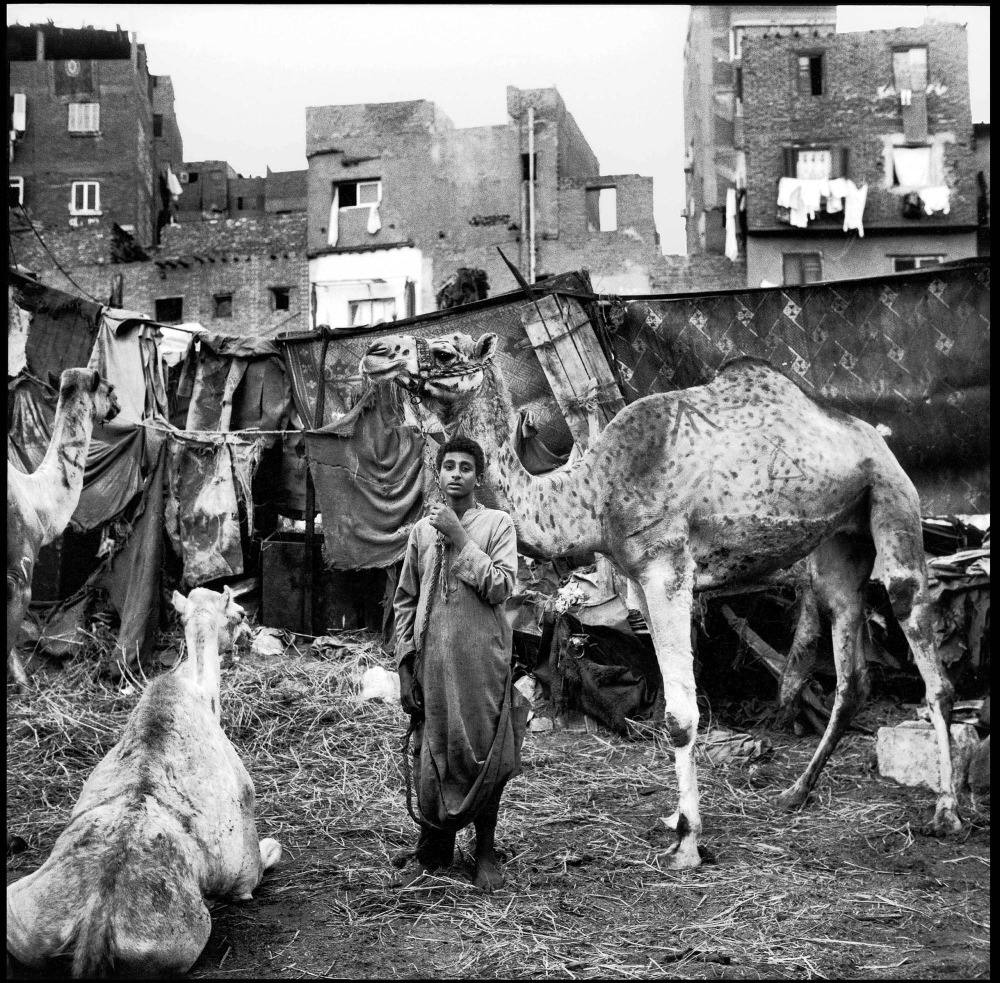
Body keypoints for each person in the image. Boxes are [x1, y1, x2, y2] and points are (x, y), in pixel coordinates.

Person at [392, 435, 526, 891]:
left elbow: (501, 587)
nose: (455, 474)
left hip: (481, 666)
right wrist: (406, 661)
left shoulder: (498, 524)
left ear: (479, 477)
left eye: (465, 467)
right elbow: (406, 602)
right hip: (433, 666)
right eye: (448, 466)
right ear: (438, 473)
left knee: (484, 753)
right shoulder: (420, 533)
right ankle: (437, 838)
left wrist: (460, 536)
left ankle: (485, 848)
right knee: (434, 750)